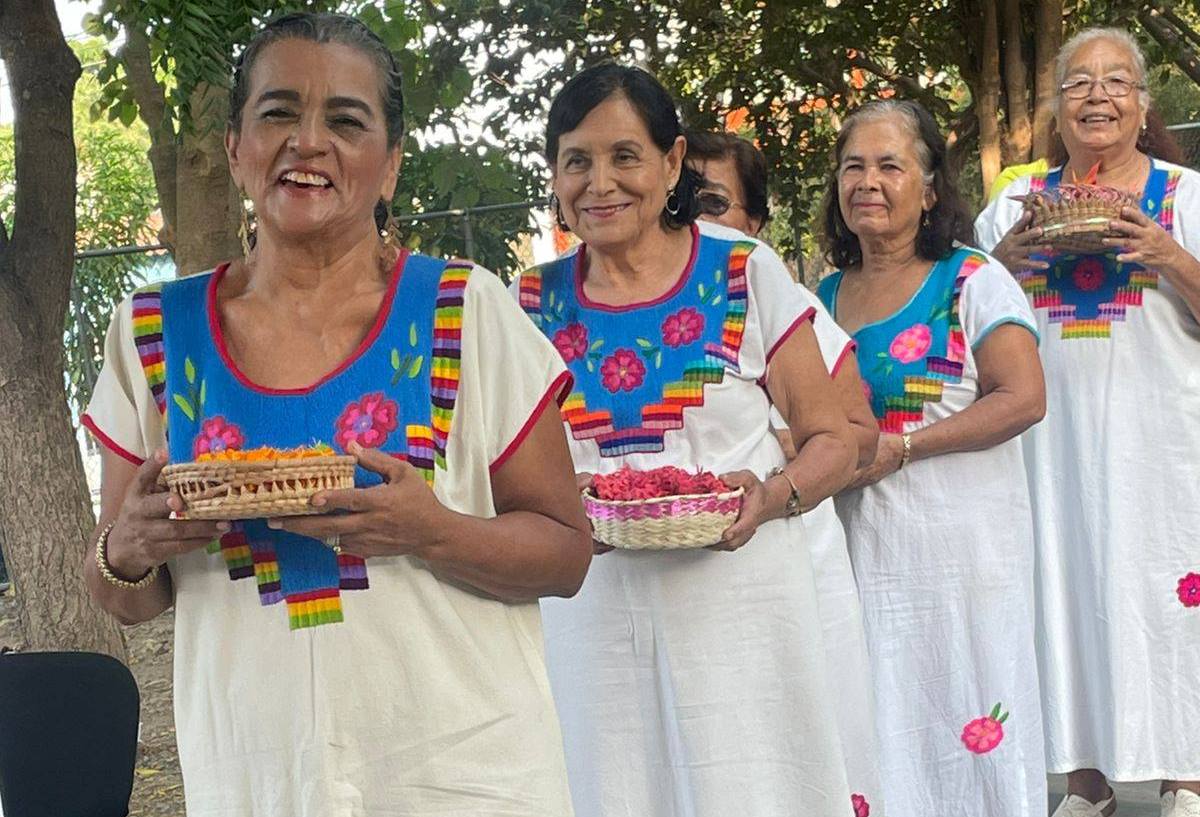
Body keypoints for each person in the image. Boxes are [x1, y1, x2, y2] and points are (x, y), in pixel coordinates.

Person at [80, 13, 592, 816]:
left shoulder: (467, 309)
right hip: (257, 774)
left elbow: (567, 554)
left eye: (346, 121)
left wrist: (430, 529)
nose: (307, 142)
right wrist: (130, 546)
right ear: (234, 147)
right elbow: (126, 593)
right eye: (278, 112)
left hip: (464, 775)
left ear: (388, 167)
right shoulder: (153, 332)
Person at [513, 63, 860, 817]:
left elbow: (834, 440)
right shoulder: (528, 304)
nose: (599, 182)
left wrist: (770, 496)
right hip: (594, 618)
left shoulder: (743, 271)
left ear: (671, 162)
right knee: (613, 789)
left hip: (745, 610)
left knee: (758, 786)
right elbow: (502, 470)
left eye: (623, 156)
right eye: (576, 160)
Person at [976, 27, 1200, 817]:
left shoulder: (1188, 195)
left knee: (1165, 597)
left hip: (1164, 448)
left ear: (1143, 105)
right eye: (1077, 83)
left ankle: (1187, 776)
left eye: (1115, 82)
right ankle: (1084, 779)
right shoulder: (1014, 201)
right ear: (1057, 111)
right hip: (1049, 449)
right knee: (1064, 592)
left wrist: (1169, 256)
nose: (1096, 96)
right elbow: (961, 324)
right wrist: (1001, 262)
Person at [816, 99, 1048, 817]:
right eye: (854, 165)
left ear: (930, 188)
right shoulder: (820, 298)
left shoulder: (973, 280)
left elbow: (1023, 397)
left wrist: (906, 446)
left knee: (970, 713)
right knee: (884, 719)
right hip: (861, 559)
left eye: (890, 165)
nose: (868, 181)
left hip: (964, 559)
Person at [686, 127, 885, 815]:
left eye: (713, 203)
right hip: (686, 584)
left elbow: (856, 434)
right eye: (683, 200)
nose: (695, 220)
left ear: (756, 223)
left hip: (790, 557)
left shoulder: (787, 307)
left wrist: (765, 446)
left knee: (802, 757)